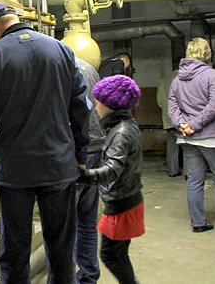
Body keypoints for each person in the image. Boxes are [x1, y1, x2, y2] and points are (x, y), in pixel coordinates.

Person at [0, 3, 91, 284]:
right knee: (62, 252)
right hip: (59, 165)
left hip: (15, 170)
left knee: (14, 252)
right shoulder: (61, 50)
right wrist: (79, 153)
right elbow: (81, 107)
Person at [168, 37, 215, 234]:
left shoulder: (177, 79)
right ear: (207, 53)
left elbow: (172, 108)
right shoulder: (213, 75)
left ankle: (198, 222)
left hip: (187, 138)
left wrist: (183, 125)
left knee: (194, 181)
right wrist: (194, 125)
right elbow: (214, 105)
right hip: (213, 138)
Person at [79, 75, 144, 284]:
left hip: (122, 203)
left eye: (99, 101)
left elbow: (112, 171)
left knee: (112, 255)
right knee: (117, 255)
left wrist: (81, 176)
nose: (96, 106)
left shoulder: (121, 132)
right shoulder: (126, 126)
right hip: (127, 199)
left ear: (110, 104)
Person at [74, 57, 103, 284]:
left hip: (76, 152)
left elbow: (75, 115)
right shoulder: (90, 68)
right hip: (97, 147)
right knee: (87, 218)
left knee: (64, 225)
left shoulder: (61, 67)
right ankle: (89, 275)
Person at [156, 67, 182, 177]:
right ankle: (189, 172)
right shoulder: (184, 79)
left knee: (172, 145)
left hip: (169, 118)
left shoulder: (163, 81)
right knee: (188, 146)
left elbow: (159, 102)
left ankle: (173, 170)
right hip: (183, 117)